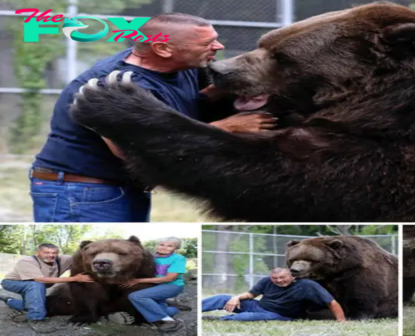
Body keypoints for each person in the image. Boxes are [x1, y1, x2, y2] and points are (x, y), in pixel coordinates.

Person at [30, 12, 278, 223]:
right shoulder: (117, 86)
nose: (219, 47)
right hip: (83, 192)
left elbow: (186, 106)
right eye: (207, 43)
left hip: (119, 187)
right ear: (162, 49)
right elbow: (137, 150)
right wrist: (225, 128)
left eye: (215, 40)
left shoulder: (181, 68)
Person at [0, 243, 93, 332]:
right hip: (13, 282)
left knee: (34, 305)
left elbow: (82, 259)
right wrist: (75, 278)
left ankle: (8, 300)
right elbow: (40, 280)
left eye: (54, 253)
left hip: (36, 285)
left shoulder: (64, 260)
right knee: (36, 286)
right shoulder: (27, 261)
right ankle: (36, 319)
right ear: (37, 253)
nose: (51, 255)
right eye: (46, 252)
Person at [202, 267, 347, 322]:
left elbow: (331, 302)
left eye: (282, 278)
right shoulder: (266, 281)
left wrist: (342, 321)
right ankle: (199, 309)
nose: (279, 281)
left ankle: (220, 320)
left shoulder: (307, 285)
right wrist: (236, 297)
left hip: (281, 315)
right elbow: (252, 295)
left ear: (293, 277)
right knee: (221, 298)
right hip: (258, 305)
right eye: (275, 278)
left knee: (247, 317)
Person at [120, 237, 188, 332]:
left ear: (175, 249)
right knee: (159, 309)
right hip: (154, 286)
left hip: (172, 286)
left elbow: (170, 278)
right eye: (161, 245)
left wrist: (138, 281)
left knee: (137, 296)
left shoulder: (178, 259)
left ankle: (168, 321)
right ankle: (173, 310)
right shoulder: (150, 258)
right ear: (157, 246)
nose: (164, 248)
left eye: (169, 246)